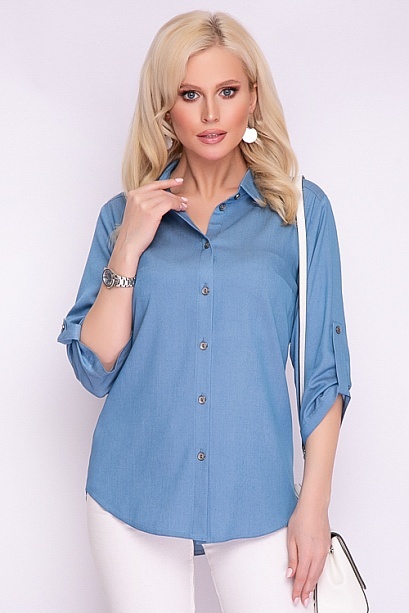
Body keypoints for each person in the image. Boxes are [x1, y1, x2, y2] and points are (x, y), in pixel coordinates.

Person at [58, 10, 351, 613]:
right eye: (190, 94)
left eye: (228, 91)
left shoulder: (300, 213)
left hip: (257, 496)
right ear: (165, 107)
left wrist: (314, 504)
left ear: (253, 99)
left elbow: (322, 372)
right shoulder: (123, 215)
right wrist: (130, 245)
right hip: (133, 491)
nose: (211, 114)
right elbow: (95, 367)